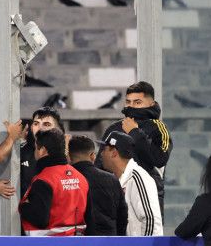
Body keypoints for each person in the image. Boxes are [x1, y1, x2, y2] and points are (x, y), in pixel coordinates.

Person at [114, 81, 171, 216]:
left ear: (151, 104)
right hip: (118, 195)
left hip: (148, 196)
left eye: (137, 102)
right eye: (128, 102)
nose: (131, 106)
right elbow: (102, 162)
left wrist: (134, 132)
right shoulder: (115, 127)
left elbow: (160, 158)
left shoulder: (158, 127)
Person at [18, 128, 87, 236]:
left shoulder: (44, 179)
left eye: (36, 148)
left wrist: (23, 206)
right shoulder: (81, 177)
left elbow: (40, 220)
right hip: (77, 244)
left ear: (42, 150)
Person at [97, 128, 163, 236]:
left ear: (114, 153)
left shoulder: (137, 178)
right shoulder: (117, 179)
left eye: (104, 149)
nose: (101, 154)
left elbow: (151, 219)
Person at [68, 134, 126, 236]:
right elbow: (122, 215)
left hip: (78, 243)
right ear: (92, 155)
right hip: (109, 242)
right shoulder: (112, 180)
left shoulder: (66, 180)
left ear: (69, 156)